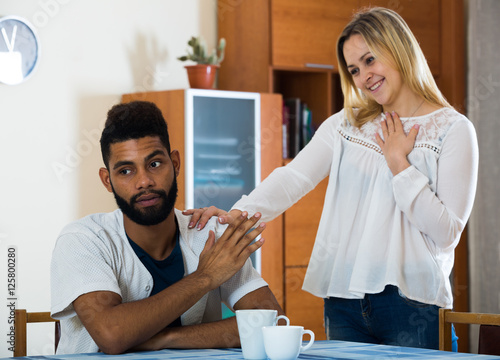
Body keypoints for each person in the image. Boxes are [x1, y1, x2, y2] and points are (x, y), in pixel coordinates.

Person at [184, 7, 478, 350]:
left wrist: (400, 163)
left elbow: (446, 232)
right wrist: (239, 214)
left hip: (412, 302)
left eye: (370, 60)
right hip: (344, 300)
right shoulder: (346, 125)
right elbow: (293, 177)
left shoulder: (453, 130)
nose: (364, 76)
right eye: (354, 69)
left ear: (398, 49)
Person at [50, 101, 283, 355]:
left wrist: (166, 337)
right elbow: (112, 335)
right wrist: (205, 277)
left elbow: (270, 322)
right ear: (108, 181)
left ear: (175, 163)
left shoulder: (209, 234)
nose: (144, 182)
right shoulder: (83, 240)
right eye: (126, 170)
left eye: (155, 164)